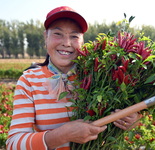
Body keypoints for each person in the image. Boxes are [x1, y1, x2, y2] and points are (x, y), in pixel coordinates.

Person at [6, 6, 141, 150]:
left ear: (83, 42)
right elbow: (14, 143)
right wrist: (62, 135)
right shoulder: (29, 81)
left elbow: (124, 118)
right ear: (45, 36)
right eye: (58, 34)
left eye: (74, 36)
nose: (67, 43)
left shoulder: (100, 76)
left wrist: (131, 120)